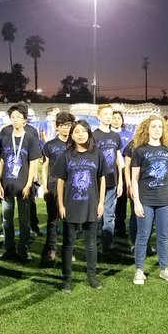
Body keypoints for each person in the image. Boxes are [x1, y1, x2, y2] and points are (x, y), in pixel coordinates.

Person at [54, 120, 109, 291]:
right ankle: (67, 278)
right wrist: (61, 205)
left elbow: (102, 180)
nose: (80, 134)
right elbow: (60, 182)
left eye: (83, 131)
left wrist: (101, 203)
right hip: (71, 204)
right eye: (76, 131)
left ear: (89, 133)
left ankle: (92, 276)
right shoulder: (65, 155)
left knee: (91, 243)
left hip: (91, 203)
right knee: (68, 242)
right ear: (71, 135)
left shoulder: (97, 154)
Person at [128, 116, 168, 284]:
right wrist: (136, 201)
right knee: (143, 235)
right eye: (153, 126)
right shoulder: (139, 150)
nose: (157, 129)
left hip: (164, 198)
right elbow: (134, 179)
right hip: (145, 199)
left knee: (163, 236)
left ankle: (164, 269)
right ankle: (139, 270)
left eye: (159, 127)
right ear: (147, 129)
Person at [0, 105, 42, 263]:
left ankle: (23, 249)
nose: (15, 120)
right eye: (13, 117)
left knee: (24, 220)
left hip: (23, 184)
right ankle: (8, 249)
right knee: (6, 220)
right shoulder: (6, 136)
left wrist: (29, 184)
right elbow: (0, 162)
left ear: (25, 120)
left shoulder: (30, 137)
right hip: (6, 185)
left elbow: (34, 163)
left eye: (18, 117)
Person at [39, 111, 75, 267]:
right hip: (53, 185)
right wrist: (45, 187)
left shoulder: (76, 144)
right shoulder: (50, 145)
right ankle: (51, 249)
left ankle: (69, 250)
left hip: (71, 186)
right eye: (63, 125)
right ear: (57, 127)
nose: (66, 128)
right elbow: (45, 166)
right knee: (53, 220)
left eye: (69, 125)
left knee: (70, 220)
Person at [91, 106, 123, 255]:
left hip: (112, 181)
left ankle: (108, 246)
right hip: (96, 182)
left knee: (110, 215)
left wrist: (121, 181)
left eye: (110, 114)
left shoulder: (116, 136)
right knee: (95, 215)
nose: (109, 117)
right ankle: (93, 247)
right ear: (98, 116)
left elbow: (118, 160)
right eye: (105, 114)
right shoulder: (93, 136)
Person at [112, 110, 133, 241]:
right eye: (114, 118)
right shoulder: (106, 134)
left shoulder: (129, 135)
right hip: (110, 170)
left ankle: (120, 227)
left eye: (118, 118)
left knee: (122, 200)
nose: (116, 120)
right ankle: (107, 227)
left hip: (125, 170)